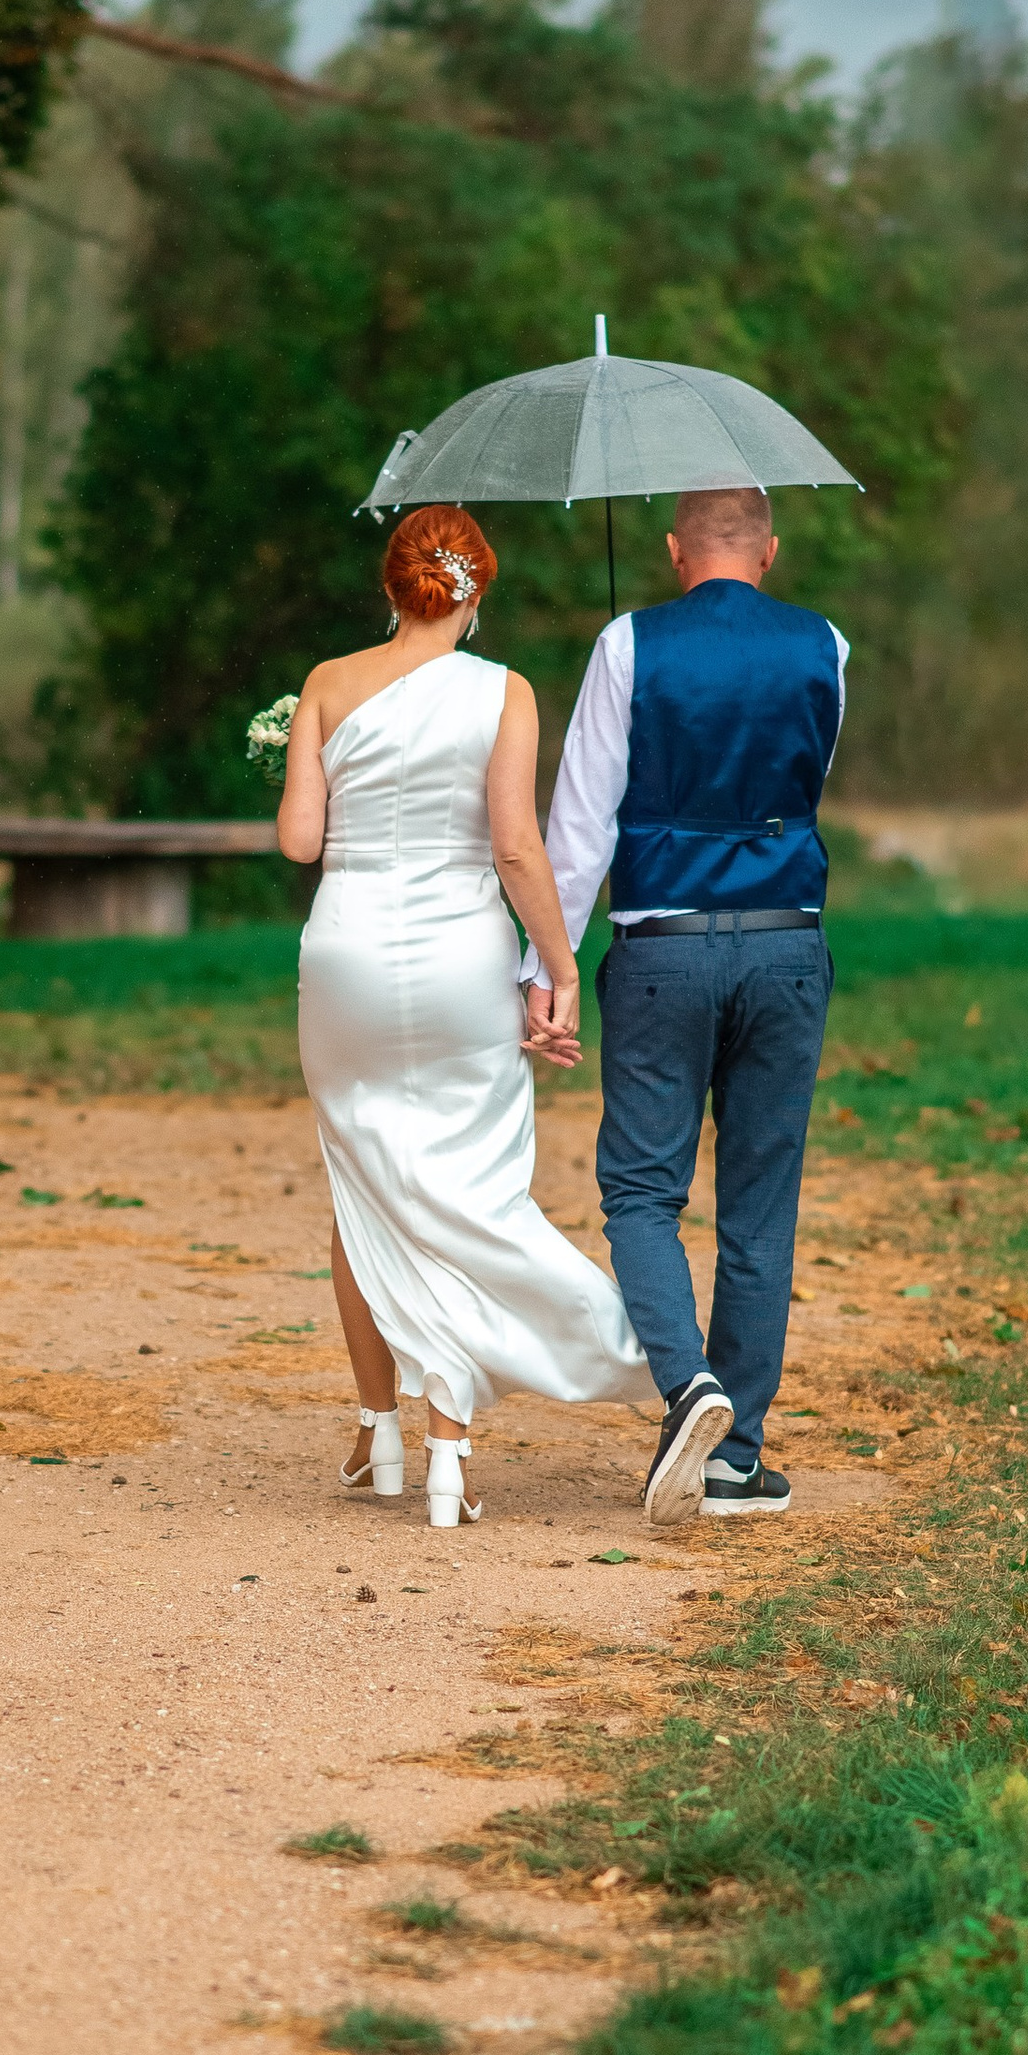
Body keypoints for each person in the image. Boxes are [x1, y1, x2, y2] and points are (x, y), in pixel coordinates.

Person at [276, 503, 654, 1531]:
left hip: (348, 947)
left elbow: (301, 843)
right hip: (458, 955)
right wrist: (561, 968)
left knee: (363, 1184)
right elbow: (516, 847)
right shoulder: (505, 692)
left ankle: (376, 1433)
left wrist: (299, 754)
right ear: (472, 589)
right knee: (465, 1183)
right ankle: (451, 1448)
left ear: (389, 587)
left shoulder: (325, 684)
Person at [524, 483, 845, 1526]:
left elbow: (580, 825)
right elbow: (802, 782)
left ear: (672, 550)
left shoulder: (629, 645)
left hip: (663, 946)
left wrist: (549, 965)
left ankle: (687, 1383)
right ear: (770, 550)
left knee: (640, 1191)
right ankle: (732, 1457)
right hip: (786, 943)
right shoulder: (825, 646)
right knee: (760, 1206)